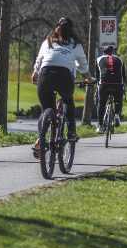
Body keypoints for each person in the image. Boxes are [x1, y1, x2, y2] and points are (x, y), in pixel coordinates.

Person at [32, 17, 93, 152]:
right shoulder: (75, 44)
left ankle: (40, 139)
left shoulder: (48, 41)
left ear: (56, 28)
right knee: (67, 101)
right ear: (71, 31)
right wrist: (88, 78)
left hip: (45, 75)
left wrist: (35, 73)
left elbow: (39, 59)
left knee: (46, 109)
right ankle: (71, 132)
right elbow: (83, 65)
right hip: (64, 77)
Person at [95, 45, 126, 133]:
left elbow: (97, 76)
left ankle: (100, 126)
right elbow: (123, 75)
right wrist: (123, 86)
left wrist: (97, 86)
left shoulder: (98, 59)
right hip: (117, 84)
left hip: (104, 84)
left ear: (103, 52)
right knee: (118, 100)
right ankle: (116, 115)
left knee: (101, 104)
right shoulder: (120, 59)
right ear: (113, 52)